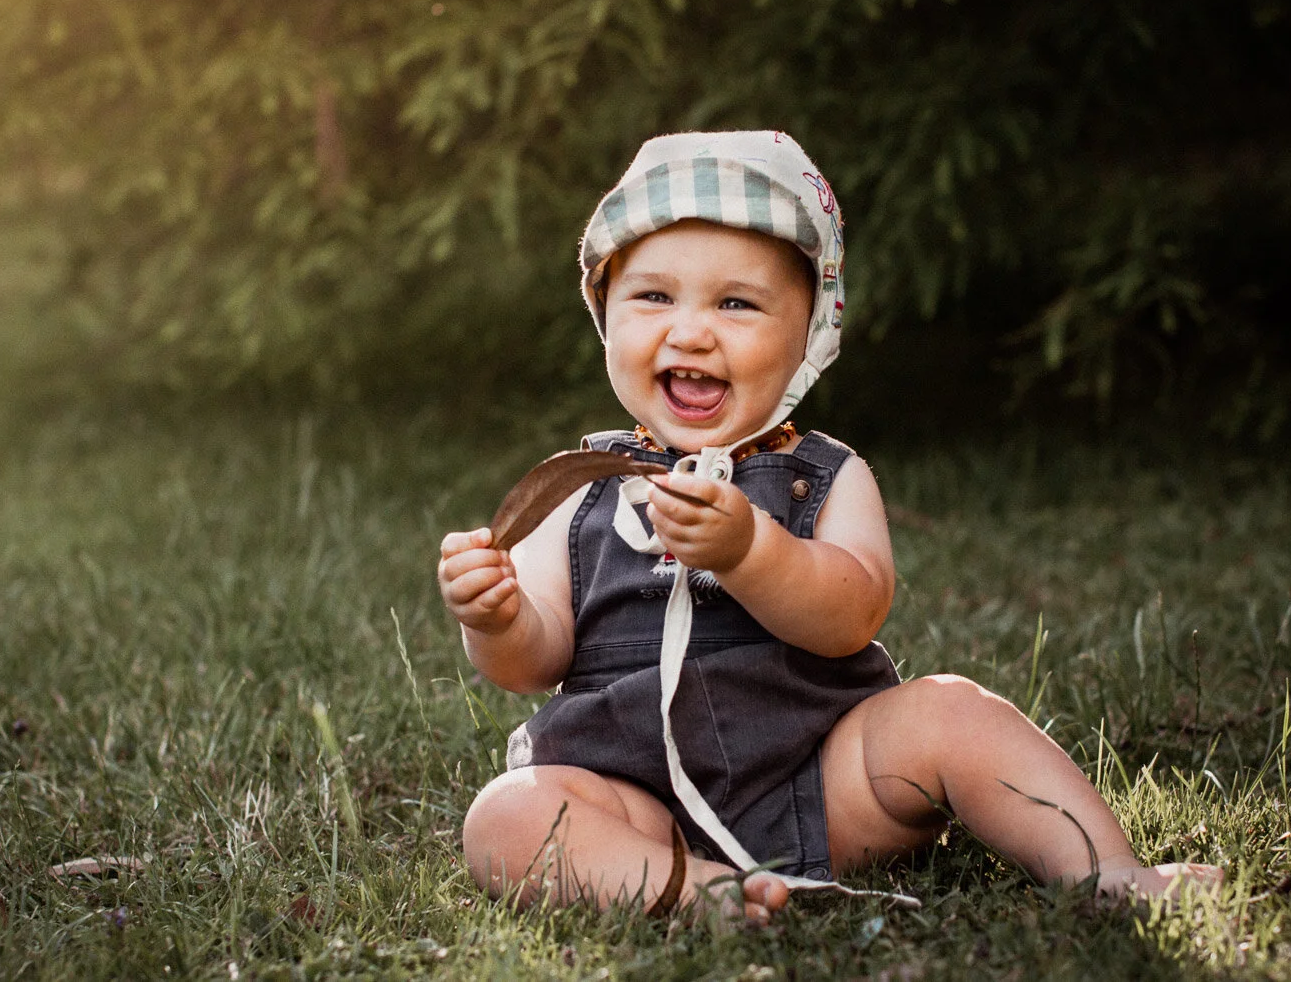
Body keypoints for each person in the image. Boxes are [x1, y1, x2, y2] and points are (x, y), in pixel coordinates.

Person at [437, 131, 1223, 922]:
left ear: (810, 333)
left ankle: (1107, 869)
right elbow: (532, 661)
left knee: (952, 709)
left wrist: (750, 550)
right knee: (506, 814)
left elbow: (852, 614)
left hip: (820, 781)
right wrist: (496, 615)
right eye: (654, 296)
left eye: (736, 302)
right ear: (605, 310)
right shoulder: (579, 490)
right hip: (634, 798)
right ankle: (694, 891)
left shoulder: (827, 473)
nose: (690, 330)